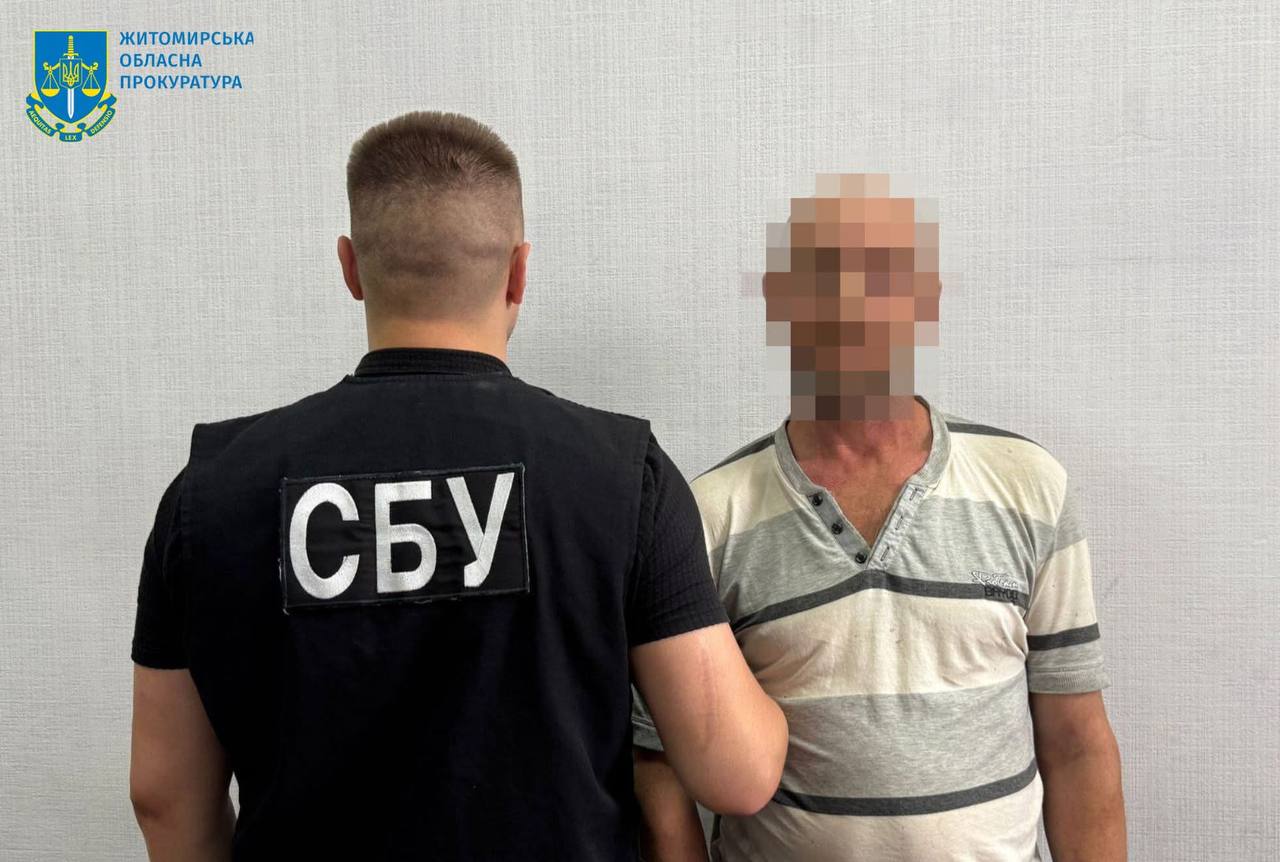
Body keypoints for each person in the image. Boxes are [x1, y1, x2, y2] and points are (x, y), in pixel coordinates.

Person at [128, 110, 787, 861]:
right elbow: (736, 773)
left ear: (351, 268)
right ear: (519, 271)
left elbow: (164, 799)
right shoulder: (621, 474)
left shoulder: (211, 493)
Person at [632, 173, 1126, 861]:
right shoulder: (709, 516)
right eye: (824, 276)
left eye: (884, 276)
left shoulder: (1028, 487)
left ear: (926, 298)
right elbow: (657, 758)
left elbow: (1076, 743)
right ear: (780, 298)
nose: (853, 304)